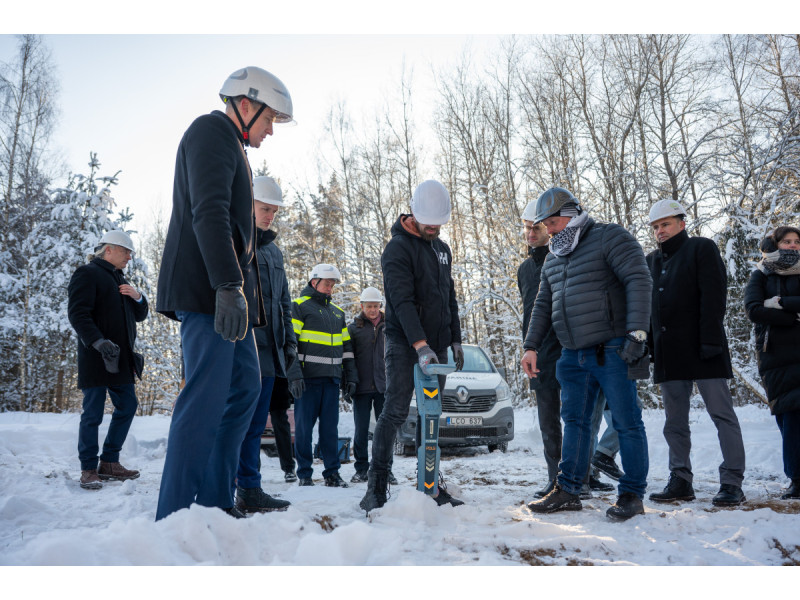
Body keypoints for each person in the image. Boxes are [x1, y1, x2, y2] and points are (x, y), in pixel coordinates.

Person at [155, 66, 294, 520]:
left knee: (244, 388)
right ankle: (174, 517)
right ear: (246, 105)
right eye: (270, 119)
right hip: (207, 292)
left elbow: (235, 229)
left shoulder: (234, 145)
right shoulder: (211, 131)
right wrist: (229, 285)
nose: (272, 130)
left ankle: (213, 503)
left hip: (229, 297)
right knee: (205, 398)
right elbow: (209, 211)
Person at [522, 187, 652, 521]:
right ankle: (568, 489)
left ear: (572, 212)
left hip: (612, 351)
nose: (548, 229)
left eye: (552, 222)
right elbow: (542, 305)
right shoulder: (553, 256)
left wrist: (637, 332)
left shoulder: (609, 237)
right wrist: (531, 346)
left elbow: (638, 279)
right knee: (576, 424)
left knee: (627, 423)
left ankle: (632, 495)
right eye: (545, 224)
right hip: (572, 355)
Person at [360, 179, 465, 512]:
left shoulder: (442, 250)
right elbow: (401, 302)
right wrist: (420, 345)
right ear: (414, 213)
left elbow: (449, 298)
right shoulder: (397, 249)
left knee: (431, 415)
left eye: (439, 223)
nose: (434, 228)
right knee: (394, 411)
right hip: (405, 345)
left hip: (438, 347)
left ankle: (430, 484)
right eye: (429, 222)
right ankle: (376, 485)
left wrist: (455, 339)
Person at [645, 199, 746, 506]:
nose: (661, 231)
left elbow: (714, 296)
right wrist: (649, 347)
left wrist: (712, 342)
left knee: (722, 415)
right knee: (674, 422)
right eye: (656, 227)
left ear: (682, 223)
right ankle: (680, 480)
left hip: (705, 348)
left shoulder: (702, 248)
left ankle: (732, 482)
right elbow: (650, 309)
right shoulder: (651, 261)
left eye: (666, 224)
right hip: (670, 353)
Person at [233, 176, 299, 513]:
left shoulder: (274, 251)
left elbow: (284, 302)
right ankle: (222, 486)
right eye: (264, 208)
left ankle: (249, 489)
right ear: (249, 203)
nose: (270, 215)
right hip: (243, 350)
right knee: (236, 423)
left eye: (274, 211)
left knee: (257, 426)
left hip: (271, 354)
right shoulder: (233, 241)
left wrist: (289, 343)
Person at [67, 230, 148, 490]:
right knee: (93, 413)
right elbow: (78, 314)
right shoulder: (87, 274)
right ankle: (89, 468)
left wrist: (138, 297)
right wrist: (98, 342)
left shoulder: (120, 279)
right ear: (109, 250)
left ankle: (110, 462)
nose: (129, 257)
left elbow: (138, 316)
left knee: (128, 406)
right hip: (96, 357)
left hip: (121, 359)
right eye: (126, 252)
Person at [745, 225, 800, 500]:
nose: (792, 246)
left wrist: (780, 303)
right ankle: (797, 477)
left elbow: (767, 308)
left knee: (795, 417)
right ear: (775, 244)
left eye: (796, 242)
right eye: (787, 241)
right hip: (775, 355)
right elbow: (754, 310)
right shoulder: (762, 273)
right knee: (786, 417)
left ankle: (797, 478)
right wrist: (793, 316)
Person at [291, 263, 358, 487]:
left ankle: (332, 473)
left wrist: (350, 378)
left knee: (330, 430)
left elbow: (347, 348)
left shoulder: (337, 313)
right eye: (326, 284)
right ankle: (305, 474)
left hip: (331, 381)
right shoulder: (299, 306)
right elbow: (290, 344)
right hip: (307, 381)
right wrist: (294, 375)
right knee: (303, 430)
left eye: (332, 285)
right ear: (314, 282)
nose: (330, 288)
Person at [517, 205, 563, 498]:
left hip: (567, 349)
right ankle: (554, 478)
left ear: (549, 228)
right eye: (527, 228)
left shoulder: (562, 258)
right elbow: (528, 313)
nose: (531, 233)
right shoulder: (524, 268)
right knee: (548, 421)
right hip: (537, 355)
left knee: (577, 418)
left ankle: (581, 475)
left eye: (536, 228)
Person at [347, 286, 397, 484]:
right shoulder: (353, 329)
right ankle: (361, 469)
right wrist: (348, 383)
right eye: (369, 306)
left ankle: (387, 469)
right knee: (361, 429)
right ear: (362, 306)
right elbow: (348, 360)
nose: (373, 310)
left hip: (384, 387)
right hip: (361, 388)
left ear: (380, 306)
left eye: (376, 306)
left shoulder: (390, 327)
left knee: (385, 430)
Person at [269, 376, 297, 482]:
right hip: (256, 376)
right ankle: (252, 470)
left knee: (281, 426)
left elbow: (290, 359)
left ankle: (289, 468)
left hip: (278, 380)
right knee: (254, 428)